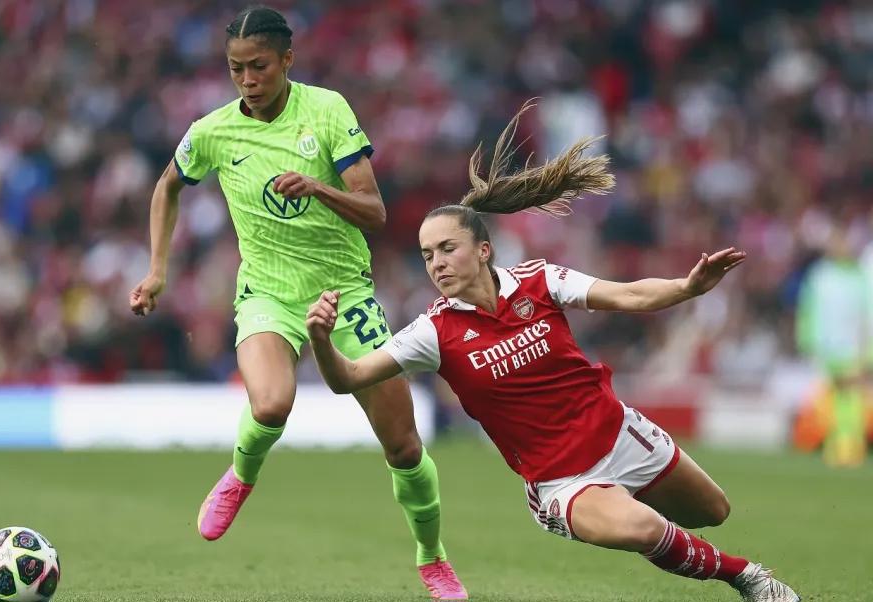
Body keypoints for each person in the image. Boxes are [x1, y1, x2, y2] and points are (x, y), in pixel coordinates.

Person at [305, 102, 800, 602]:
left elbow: (627, 295)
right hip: (563, 480)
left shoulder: (540, 280)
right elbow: (348, 378)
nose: (436, 263)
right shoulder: (433, 330)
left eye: (447, 249)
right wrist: (323, 342)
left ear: (483, 250)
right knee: (645, 530)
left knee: (713, 512)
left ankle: (651, 524)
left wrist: (687, 288)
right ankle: (748, 577)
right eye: (427, 255)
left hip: (619, 432)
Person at [128, 6, 466, 599]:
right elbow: (168, 185)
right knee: (272, 402)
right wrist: (157, 270)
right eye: (236, 69)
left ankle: (431, 556)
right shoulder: (212, 132)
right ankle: (239, 476)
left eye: (258, 66)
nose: (247, 79)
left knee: (404, 445)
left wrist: (316, 185)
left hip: (345, 291)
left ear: (287, 59)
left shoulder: (328, 111)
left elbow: (376, 211)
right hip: (268, 293)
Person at [796, 220, 872, 467]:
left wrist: (868, 349)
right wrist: (807, 339)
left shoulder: (859, 276)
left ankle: (851, 447)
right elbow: (808, 310)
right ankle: (835, 445)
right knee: (830, 398)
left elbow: (867, 314)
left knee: (852, 398)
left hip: (853, 346)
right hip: (826, 346)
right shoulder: (819, 276)